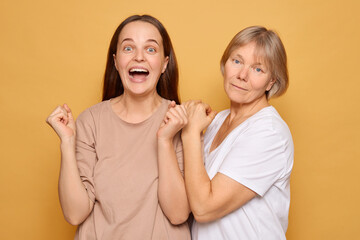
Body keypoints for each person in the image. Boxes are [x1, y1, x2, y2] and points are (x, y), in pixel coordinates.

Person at [46, 15, 190, 240]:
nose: (139, 57)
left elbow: (178, 214)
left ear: (164, 63)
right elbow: (75, 214)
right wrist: (67, 143)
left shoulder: (181, 122)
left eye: (150, 49)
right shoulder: (90, 121)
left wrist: (165, 141)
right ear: (115, 61)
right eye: (128, 48)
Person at [181, 26, 294, 239]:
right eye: (237, 61)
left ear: (272, 82)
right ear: (225, 63)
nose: (242, 75)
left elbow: (204, 207)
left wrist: (190, 133)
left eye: (258, 69)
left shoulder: (269, 133)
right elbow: (191, 192)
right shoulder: (217, 121)